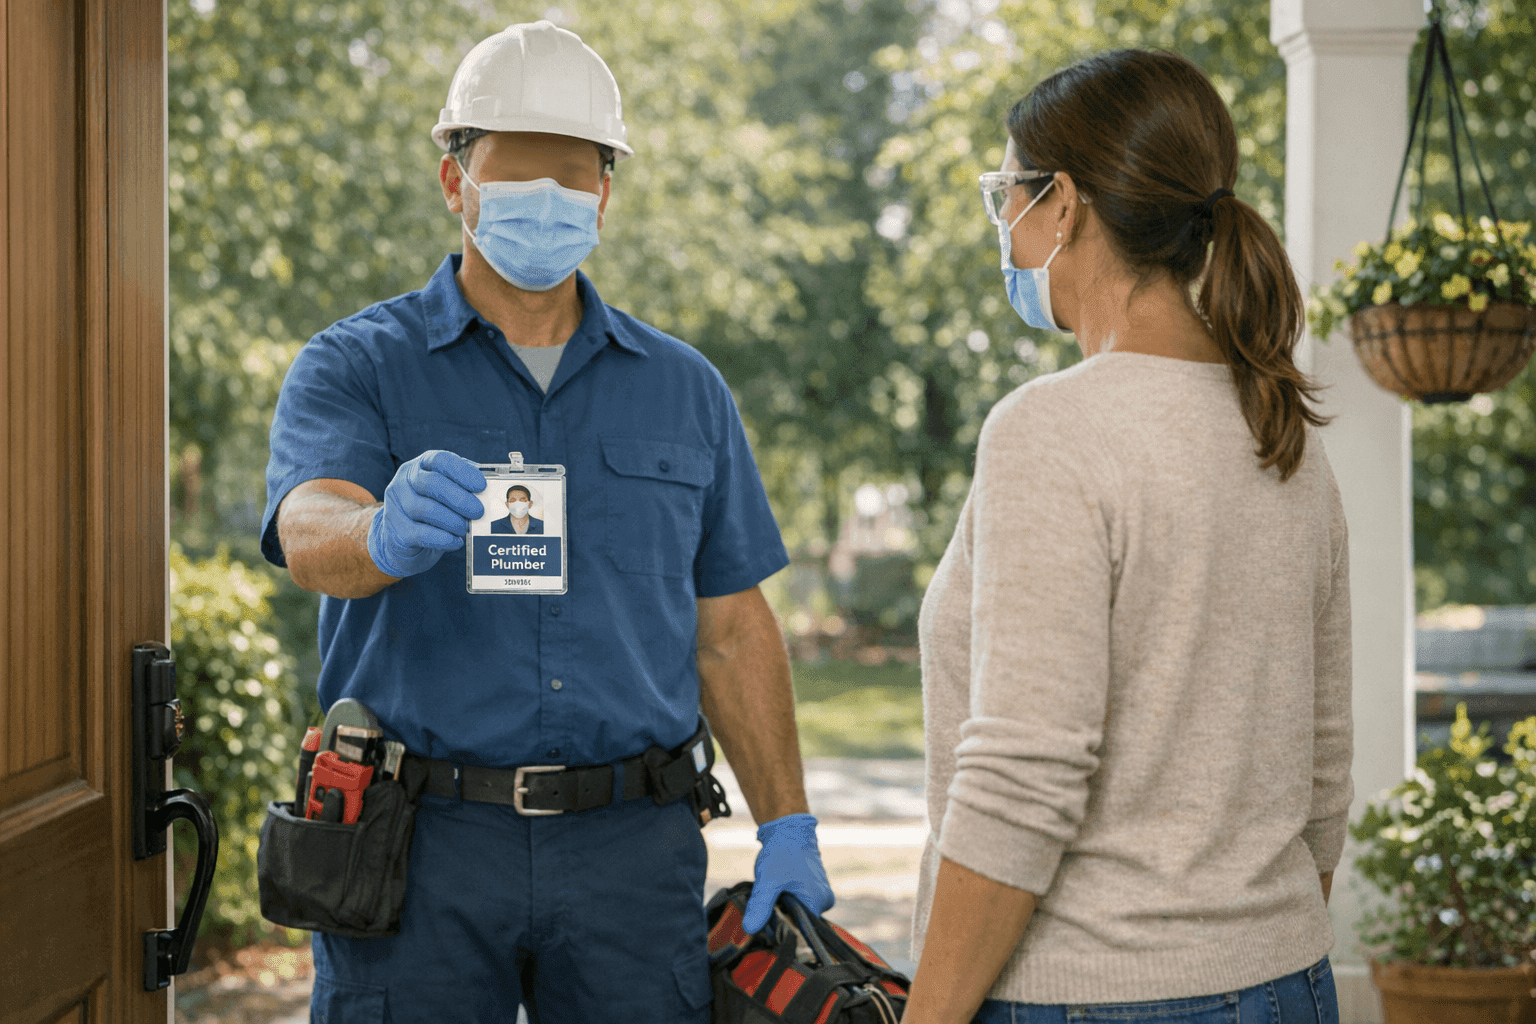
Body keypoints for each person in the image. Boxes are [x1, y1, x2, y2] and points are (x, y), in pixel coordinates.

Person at [261, 21, 832, 1024]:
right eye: (515, 175)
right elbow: (310, 528)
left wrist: (787, 821)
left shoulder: (684, 391)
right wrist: (377, 535)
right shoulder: (357, 364)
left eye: (574, 177)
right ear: (454, 183)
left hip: (629, 848)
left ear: (606, 193)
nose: (549, 201)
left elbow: (732, 631)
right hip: (417, 848)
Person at [900, 50, 1352, 1024]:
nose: (1008, 231)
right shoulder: (1283, 433)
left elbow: (1022, 784)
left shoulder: (1049, 431)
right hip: (1288, 980)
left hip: (1095, 996)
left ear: (1062, 204)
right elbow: (1323, 772)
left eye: (1008, 196)